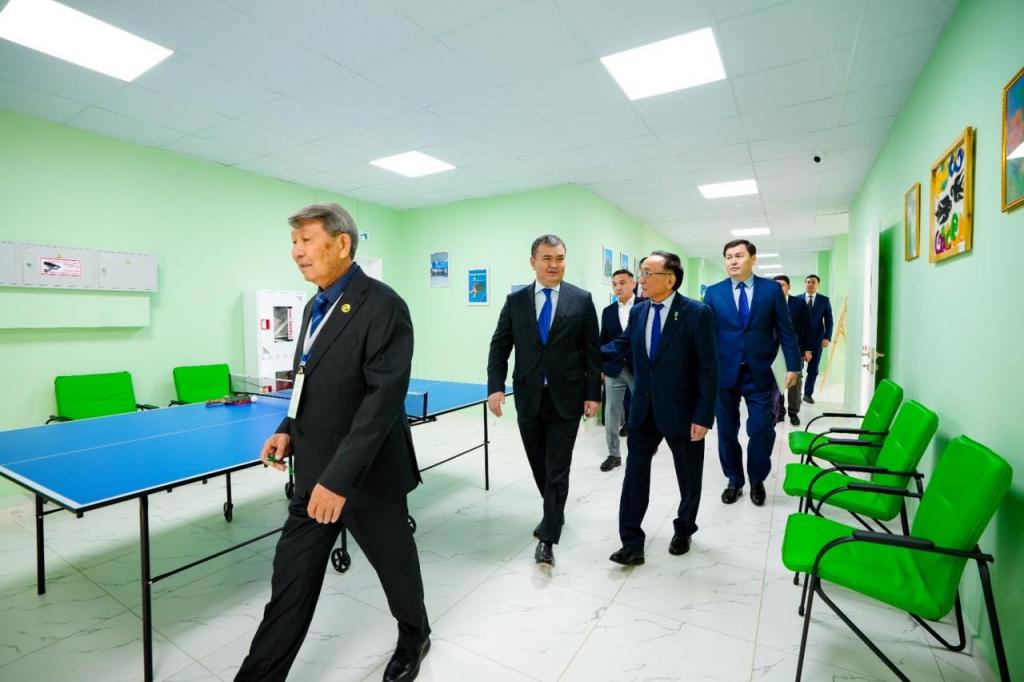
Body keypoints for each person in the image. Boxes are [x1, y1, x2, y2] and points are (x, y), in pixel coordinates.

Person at [237, 203, 430, 682]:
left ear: (342, 244)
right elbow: (307, 379)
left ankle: (415, 635)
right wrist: (287, 427)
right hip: (313, 477)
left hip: (368, 480)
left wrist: (339, 481)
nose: (296, 252)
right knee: (290, 585)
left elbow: (381, 403)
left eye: (306, 240)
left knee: (396, 570)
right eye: (294, 242)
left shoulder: (384, 305)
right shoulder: (314, 306)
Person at [487, 235, 601, 568]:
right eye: (547, 258)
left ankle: (548, 536)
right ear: (533, 262)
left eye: (560, 258)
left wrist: (593, 394)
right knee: (540, 466)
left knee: (557, 469)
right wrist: (495, 387)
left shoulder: (581, 300)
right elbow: (500, 346)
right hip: (529, 397)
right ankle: (554, 511)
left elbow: (592, 351)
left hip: (567, 397)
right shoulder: (516, 301)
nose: (554, 265)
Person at [602, 251, 717, 565]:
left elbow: (708, 369)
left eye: (647, 273)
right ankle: (631, 543)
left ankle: (684, 528)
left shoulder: (696, 313)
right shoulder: (639, 311)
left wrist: (704, 415)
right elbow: (622, 345)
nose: (641, 279)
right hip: (643, 410)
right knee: (635, 476)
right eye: (641, 272)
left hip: (683, 411)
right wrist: (585, 353)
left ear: (670, 279)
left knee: (688, 478)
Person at [703, 240, 800, 507]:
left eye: (739, 256)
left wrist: (793, 365)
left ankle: (757, 479)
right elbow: (706, 334)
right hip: (725, 373)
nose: (733, 261)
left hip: (761, 373)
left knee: (760, 430)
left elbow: (786, 329)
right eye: (728, 257)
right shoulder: (714, 293)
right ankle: (734, 480)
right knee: (726, 432)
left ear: (753, 259)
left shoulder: (771, 290)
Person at [598, 269, 636, 472]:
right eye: (614, 284)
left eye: (622, 283)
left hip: (638, 369)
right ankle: (613, 454)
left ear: (633, 284)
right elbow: (603, 339)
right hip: (614, 368)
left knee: (642, 409)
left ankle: (643, 446)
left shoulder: (645, 306)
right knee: (611, 413)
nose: (618, 287)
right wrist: (601, 368)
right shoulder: (608, 311)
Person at [772, 275, 814, 425]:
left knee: (795, 382)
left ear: (789, 286)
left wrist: (808, 349)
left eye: (782, 285)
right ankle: (780, 412)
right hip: (775, 350)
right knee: (778, 380)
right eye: (776, 285)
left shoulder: (799, 303)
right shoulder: (769, 303)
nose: (779, 288)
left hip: (795, 349)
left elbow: (808, 327)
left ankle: (793, 412)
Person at [802, 274, 834, 405]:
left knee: (813, 369)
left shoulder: (824, 300)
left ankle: (807, 394)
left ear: (818, 285)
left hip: (817, 340)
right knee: (796, 369)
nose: (810, 284)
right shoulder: (797, 299)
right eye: (808, 282)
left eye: (813, 282)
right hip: (800, 340)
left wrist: (827, 337)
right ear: (805, 284)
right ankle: (795, 394)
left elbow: (829, 321)